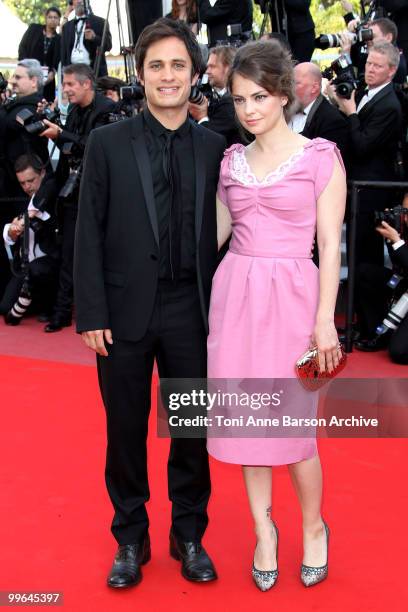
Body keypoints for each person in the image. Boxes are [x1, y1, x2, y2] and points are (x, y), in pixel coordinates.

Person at [73, 18, 226, 588]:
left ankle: (189, 534)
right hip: (123, 313)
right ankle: (129, 537)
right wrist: (90, 312)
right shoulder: (108, 141)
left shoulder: (216, 148)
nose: (168, 75)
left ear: (194, 74)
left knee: (190, 430)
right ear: (142, 73)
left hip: (192, 311)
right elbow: (87, 229)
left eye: (178, 65)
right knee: (125, 430)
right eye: (157, 65)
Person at [207, 40, 346, 589]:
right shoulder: (230, 162)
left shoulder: (320, 157)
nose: (248, 110)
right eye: (239, 99)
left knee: (295, 431)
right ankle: (264, 532)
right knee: (248, 427)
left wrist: (325, 320)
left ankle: (314, 526)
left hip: (295, 302)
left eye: (259, 96)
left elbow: (331, 246)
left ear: (283, 93)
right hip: (235, 298)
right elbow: (214, 237)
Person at [39, 63, 115, 333]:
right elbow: (73, 146)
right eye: (64, 84)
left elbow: (95, 147)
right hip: (71, 194)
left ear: (86, 84)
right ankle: (61, 313)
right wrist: (58, 133)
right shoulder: (72, 112)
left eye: (70, 84)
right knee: (69, 254)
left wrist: (63, 135)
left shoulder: (107, 109)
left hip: (101, 194)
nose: (66, 89)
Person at [332, 41, 403, 267]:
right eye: (369, 63)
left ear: (391, 70)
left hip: (372, 190)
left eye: (378, 66)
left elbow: (363, 145)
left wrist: (351, 113)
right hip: (357, 186)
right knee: (355, 254)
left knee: (366, 257)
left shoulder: (390, 105)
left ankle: (367, 302)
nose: (370, 69)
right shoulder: (363, 90)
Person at [0, 154, 59, 324]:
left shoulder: (53, 196)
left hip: (48, 265)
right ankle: (31, 302)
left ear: (42, 173)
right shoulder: (20, 199)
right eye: (22, 183)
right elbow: (9, 234)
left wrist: (30, 218)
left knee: (39, 270)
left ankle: (44, 303)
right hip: (24, 266)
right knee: (5, 308)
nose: (27, 186)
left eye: (30, 180)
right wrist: (11, 232)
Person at [290, 62, 348, 159]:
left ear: (314, 88)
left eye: (296, 83)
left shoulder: (332, 121)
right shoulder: (283, 110)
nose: (289, 88)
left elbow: (326, 165)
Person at [189, 45, 243, 146]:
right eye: (207, 66)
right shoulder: (218, 96)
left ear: (228, 68)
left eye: (212, 67)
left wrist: (202, 117)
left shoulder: (233, 102)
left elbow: (207, 141)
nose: (207, 71)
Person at [18, 6, 62, 102]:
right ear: (45, 18)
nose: (52, 20)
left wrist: (52, 73)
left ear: (59, 20)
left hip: (47, 79)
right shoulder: (34, 29)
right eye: (50, 17)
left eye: (55, 17)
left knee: (44, 105)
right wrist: (24, 67)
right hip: (29, 73)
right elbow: (22, 47)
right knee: (26, 101)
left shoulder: (59, 39)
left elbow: (57, 60)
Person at [61, 0, 112, 77]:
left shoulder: (100, 22)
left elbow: (108, 46)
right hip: (72, 72)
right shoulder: (67, 26)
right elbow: (63, 53)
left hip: (93, 72)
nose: (80, 1)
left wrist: (94, 38)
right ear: (72, 3)